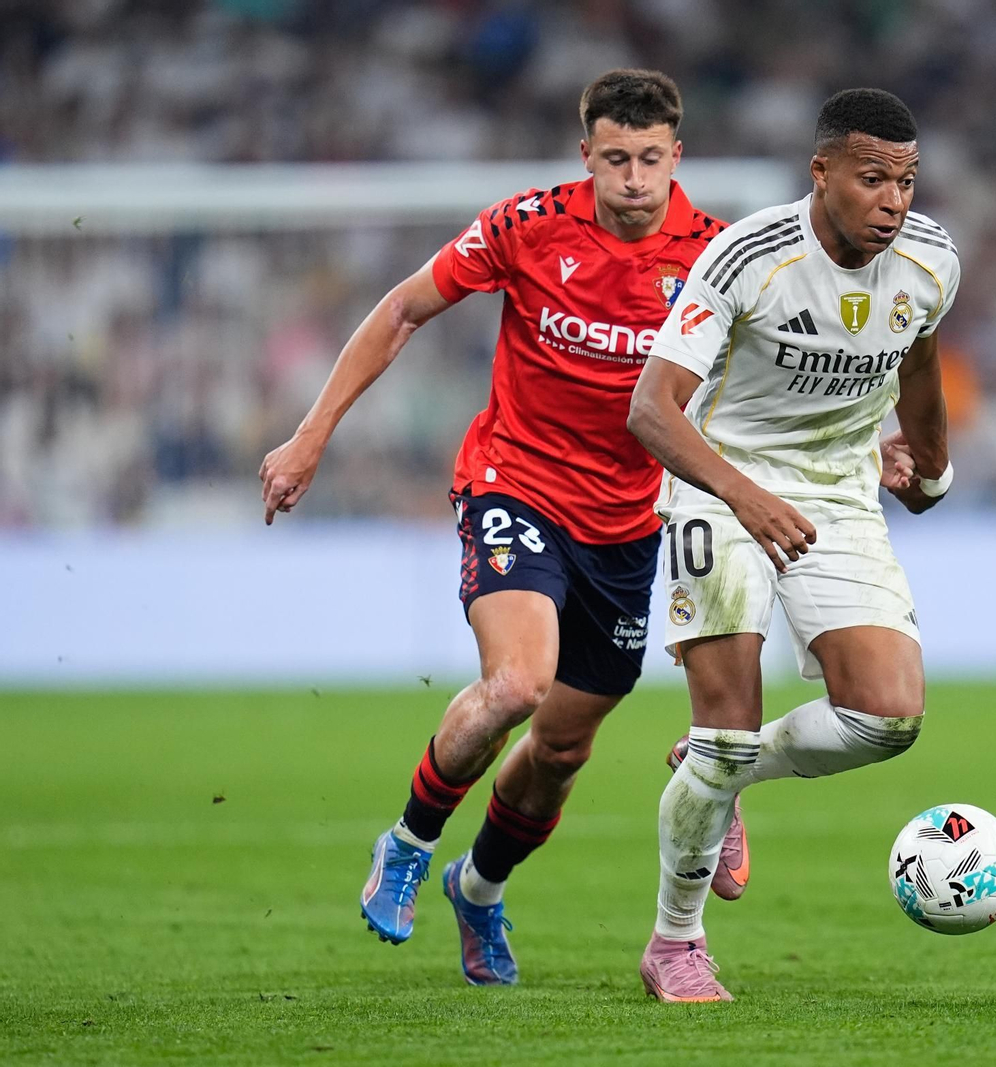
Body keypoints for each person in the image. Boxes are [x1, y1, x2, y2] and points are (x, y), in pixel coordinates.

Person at [257, 69, 728, 986]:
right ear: (585, 153)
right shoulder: (528, 224)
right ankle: (409, 839)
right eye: (615, 158)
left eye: (650, 159)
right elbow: (402, 308)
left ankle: (478, 888)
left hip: (630, 527)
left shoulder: (715, 255)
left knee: (561, 748)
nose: (632, 178)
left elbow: (775, 370)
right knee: (517, 684)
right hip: (514, 484)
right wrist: (312, 436)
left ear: (678, 156)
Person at [626, 87, 960, 1002]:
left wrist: (929, 466)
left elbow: (918, 356)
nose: (895, 200)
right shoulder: (749, 257)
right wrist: (748, 497)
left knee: (888, 715)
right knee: (723, 732)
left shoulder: (931, 261)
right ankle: (677, 944)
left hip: (840, 496)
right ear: (821, 173)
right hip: (717, 481)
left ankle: (713, 773)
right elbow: (651, 409)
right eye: (873, 179)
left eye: (907, 180)